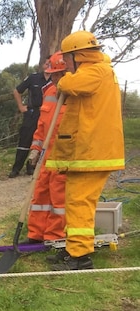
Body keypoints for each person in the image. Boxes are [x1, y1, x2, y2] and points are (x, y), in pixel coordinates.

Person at [46, 30, 125, 270]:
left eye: (67, 60)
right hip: (91, 151)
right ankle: (74, 247)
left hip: (91, 151)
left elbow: (68, 82)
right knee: (78, 202)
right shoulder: (100, 70)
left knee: (79, 202)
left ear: (77, 56)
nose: (65, 65)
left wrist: (62, 80)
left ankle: (80, 257)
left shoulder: (94, 71)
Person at [26, 53, 67, 243]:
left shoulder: (75, 93)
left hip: (64, 154)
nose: (56, 78)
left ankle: (54, 236)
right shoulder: (49, 91)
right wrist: (35, 147)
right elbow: (42, 124)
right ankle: (36, 234)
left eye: (60, 74)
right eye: (54, 74)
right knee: (40, 194)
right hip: (46, 153)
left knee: (59, 198)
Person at [9, 65, 47, 177]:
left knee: (43, 140)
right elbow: (17, 91)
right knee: (25, 139)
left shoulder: (56, 79)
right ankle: (16, 168)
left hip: (47, 113)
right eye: (47, 63)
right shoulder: (33, 78)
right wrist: (21, 107)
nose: (48, 65)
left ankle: (32, 166)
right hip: (32, 113)